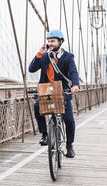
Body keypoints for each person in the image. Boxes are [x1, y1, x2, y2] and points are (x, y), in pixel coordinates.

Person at [28, 30, 79, 158]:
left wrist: (75, 86)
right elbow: (31, 69)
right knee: (36, 106)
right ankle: (45, 135)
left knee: (69, 120)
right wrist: (40, 53)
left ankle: (69, 145)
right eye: (49, 41)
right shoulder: (45, 56)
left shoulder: (68, 57)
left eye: (53, 41)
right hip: (46, 91)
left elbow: (73, 73)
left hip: (62, 91)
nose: (50, 43)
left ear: (60, 42)